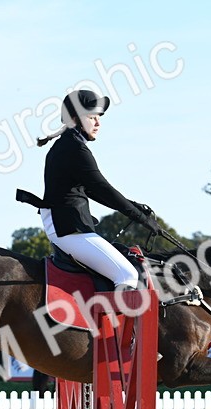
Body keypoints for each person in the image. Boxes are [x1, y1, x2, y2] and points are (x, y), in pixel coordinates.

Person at [29, 88, 161, 290]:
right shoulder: (74, 149)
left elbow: (92, 190)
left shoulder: (69, 145)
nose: (98, 123)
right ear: (75, 119)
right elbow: (102, 188)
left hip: (70, 225)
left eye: (99, 117)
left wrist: (134, 207)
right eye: (92, 117)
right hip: (67, 229)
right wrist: (140, 218)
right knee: (127, 275)